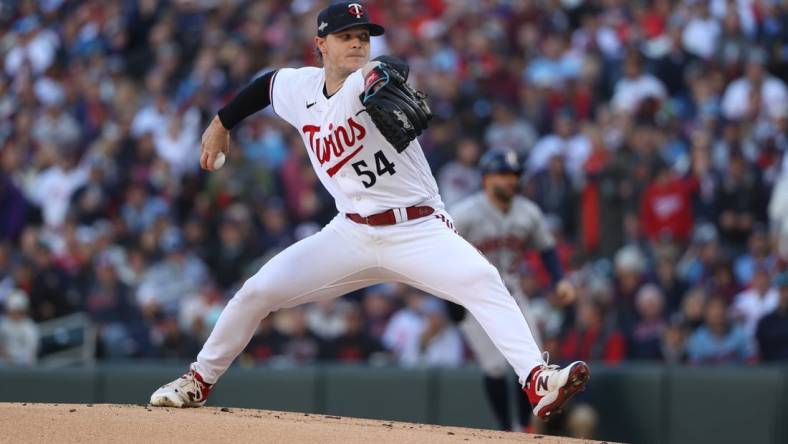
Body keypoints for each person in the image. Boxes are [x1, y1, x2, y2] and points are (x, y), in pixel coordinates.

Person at [148, 2, 589, 420]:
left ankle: (537, 378)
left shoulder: (366, 78)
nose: (358, 44)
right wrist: (221, 123)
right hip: (350, 235)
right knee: (256, 292)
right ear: (321, 43)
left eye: (363, 36)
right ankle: (198, 380)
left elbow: (389, 67)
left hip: (417, 229)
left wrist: (383, 76)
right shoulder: (299, 87)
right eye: (346, 36)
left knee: (482, 279)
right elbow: (265, 86)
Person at [448, 149, 578, 430]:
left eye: (515, 175)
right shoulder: (464, 213)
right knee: (494, 366)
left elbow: (547, 249)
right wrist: (448, 297)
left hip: (512, 292)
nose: (511, 181)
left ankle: (524, 428)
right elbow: (441, 252)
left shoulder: (528, 212)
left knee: (531, 361)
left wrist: (559, 279)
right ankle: (507, 430)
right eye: (504, 175)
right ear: (486, 178)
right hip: (473, 297)